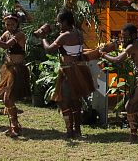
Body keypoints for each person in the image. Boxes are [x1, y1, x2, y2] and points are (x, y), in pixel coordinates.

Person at [36, 8, 96, 139]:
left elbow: (49, 49)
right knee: (76, 100)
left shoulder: (65, 36)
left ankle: (70, 131)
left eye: (59, 22)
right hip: (79, 69)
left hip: (69, 71)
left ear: (65, 22)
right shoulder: (78, 33)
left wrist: (43, 38)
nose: (57, 25)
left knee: (63, 101)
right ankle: (77, 130)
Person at [100, 23, 138, 143]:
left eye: (125, 36)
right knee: (137, 106)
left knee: (129, 106)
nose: (123, 39)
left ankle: (134, 134)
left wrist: (103, 54)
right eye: (122, 36)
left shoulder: (133, 46)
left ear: (133, 35)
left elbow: (118, 59)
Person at [0, 13, 31, 138]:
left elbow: (5, 45)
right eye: (7, 24)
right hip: (8, 69)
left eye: (12, 24)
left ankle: (15, 126)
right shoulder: (6, 34)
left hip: (17, 70)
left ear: (17, 24)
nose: (9, 26)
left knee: (8, 98)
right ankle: (14, 126)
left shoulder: (19, 34)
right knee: (7, 99)